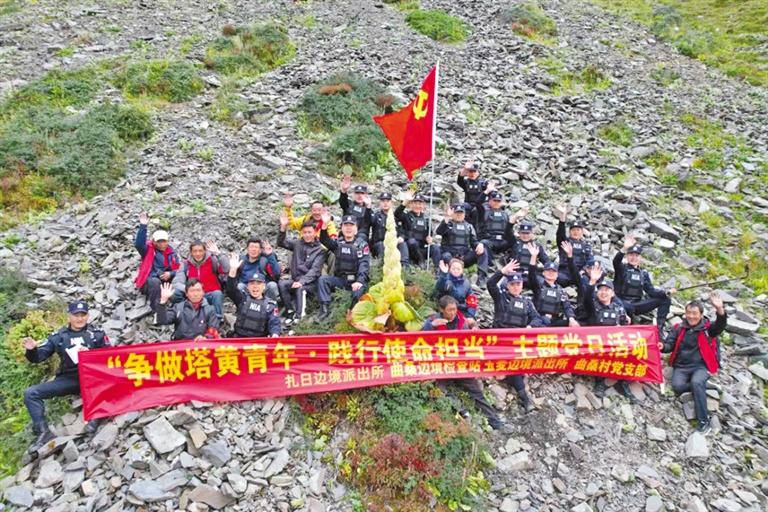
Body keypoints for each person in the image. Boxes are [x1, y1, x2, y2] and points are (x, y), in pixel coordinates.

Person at [22, 300, 109, 453]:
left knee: (108, 381)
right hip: (69, 379)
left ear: (88, 316)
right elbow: (38, 357)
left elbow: (110, 359)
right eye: (76, 315)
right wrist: (32, 350)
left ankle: (97, 416)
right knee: (30, 393)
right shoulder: (59, 336)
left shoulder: (97, 334)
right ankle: (43, 432)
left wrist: (91, 355)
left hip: (93, 378)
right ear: (69, 316)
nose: (80, 318)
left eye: (83, 315)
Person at [423, 296, 510, 432]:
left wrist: (474, 327)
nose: (452, 312)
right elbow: (419, 337)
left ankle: (495, 421)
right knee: (440, 390)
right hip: (442, 365)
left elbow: (473, 330)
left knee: (476, 391)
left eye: (454, 309)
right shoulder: (433, 320)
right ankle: (462, 410)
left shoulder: (462, 320)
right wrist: (431, 326)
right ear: (441, 309)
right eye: (449, 310)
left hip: (460, 364)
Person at [661, 293, 726, 434]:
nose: (691, 316)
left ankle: (704, 421)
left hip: (701, 366)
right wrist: (662, 347)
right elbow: (669, 345)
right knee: (678, 387)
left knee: (696, 382)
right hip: (682, 366)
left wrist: (719, 309)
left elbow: (720, 326)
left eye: (695, 313)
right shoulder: (678, 328)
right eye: (688, 313)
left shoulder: (708, 329)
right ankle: (705, 385)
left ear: (701, 315)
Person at [487, 261, 543, 412]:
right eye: (512, 284)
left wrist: (529, 327)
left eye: (518, 284)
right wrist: (502, 272)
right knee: (513, 367)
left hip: (517, 343)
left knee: (514, 367)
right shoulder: (500, 297)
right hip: (500, 342)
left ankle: (520, 392)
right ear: (508, 285)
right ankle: (525, 399)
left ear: (522, 285)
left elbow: (537, 319)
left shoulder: (527, 303)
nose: (516, 287)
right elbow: (490, 284)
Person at [584, 270, 634, 401]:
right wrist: (592, 281)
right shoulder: (593, 305)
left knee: (631, 354)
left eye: (607, 290)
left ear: (612, 293)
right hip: (596, 345)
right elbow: (587, 296)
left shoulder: (619, 308)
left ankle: (621, 383)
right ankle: (602, 383)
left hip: (615, 345)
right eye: (601, 290)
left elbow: (625, 328)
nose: (603, 292)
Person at [613, 235, 675, 328]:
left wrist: (666, 293)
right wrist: (624, 248)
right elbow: (616, 261)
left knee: (665, 299)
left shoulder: (643, 273)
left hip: (636, 305)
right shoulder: (622, 269)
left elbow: (651, 291)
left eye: (636, 255)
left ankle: (659, 328)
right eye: (631, 255)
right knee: (628, 308)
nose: (634, 258)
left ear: (640, 257)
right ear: (627, 256)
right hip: (621, 303)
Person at [317, 214, 371, 320]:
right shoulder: (338, 243)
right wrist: (324, 225)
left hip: (356, 281)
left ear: (356, 229)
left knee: (357, 294)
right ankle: (324, 310)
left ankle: (352, 314)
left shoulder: (362, 245)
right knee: (323, 280)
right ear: (341, 228)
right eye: (346, 225)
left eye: (351, 225)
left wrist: (359, 281)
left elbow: (364, 265)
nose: (348, 228)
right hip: (341, 280)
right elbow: (324, 240)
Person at [277, 215, 326, 322]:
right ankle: (290, 311)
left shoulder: (320, 250)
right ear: (301, 233)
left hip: (311, 283)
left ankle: (299, 317)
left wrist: (302, 282)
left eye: (309, 232)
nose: (307, 235)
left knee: (300, 288)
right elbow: (281, 243)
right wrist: (283, 228)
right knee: (282, 284)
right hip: (296, 280)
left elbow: (315, 270)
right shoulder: (297, 244)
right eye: (304, 232)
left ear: (315, 232)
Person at [225, 254, 281, 338]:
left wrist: (275, 334)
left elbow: (274, 323)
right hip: (240, 339)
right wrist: (233, 270)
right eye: (252, 284)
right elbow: (230, 289)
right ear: (247, 286)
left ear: (264, 287)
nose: (255, 286)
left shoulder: (270, 305)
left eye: (258, 284)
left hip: (259, 341)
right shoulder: (242, 298)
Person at [434, 204, 489, 288]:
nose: (459, 215)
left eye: (461, 213)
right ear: (453, 214)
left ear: (464, 214)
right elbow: (439, 232)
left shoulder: (469, 226)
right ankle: (448, 277)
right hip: (449, 257)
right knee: (446, 255)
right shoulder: (447, 224)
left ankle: (481, 279)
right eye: (457, 213)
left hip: (464, 258)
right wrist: (447, 218)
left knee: (483, 250)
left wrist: (480, 244)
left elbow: (474, 242)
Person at [133, 212, 180, 309]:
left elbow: (178, 269)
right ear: (153, 241)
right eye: (159, 241)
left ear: (167, 241)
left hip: (165, 282)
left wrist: (170, 274)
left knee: (181, 279)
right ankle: (157, 308)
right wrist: (143, 226)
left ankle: (179, 305)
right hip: (150, 282)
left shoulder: (171, 253)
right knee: (154, 282)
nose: (162, 244)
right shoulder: (148, 250)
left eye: (164, 241)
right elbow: (139, 244)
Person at [172, 240, 229, 320]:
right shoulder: (185, 264)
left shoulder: (213, 260)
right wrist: (190, 290)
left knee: (217, 294)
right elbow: (176, 283)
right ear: (191, 252)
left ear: (205, 251)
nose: (198, 254)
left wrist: (218, 253)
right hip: (192, 296)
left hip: (209, 294)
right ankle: (182, 315)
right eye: (195, 251)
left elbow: (226, 269)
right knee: (176, 293)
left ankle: (217, 320)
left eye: (200, 251)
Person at [527, 243, 579, 327]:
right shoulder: (538, 286)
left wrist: (571, 319)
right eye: (548, 271)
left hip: (554, 321)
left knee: (575, 324)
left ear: (557, 274)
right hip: (539, 321)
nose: (550, 273)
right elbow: (531, 275)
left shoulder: (561, 290)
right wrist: (533, 257)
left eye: (553, 271)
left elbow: (567, 307)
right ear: (543, 273)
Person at [156, 281, 220, 340]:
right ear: (186, 293)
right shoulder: (178, 308)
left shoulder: (210, 309)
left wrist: (205, 338)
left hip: (201, 345)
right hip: (181, 344)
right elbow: (163, 320)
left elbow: (213, 329)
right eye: (192, 291)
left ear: (203, 292)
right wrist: (162, 302)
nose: (195, 294)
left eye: (198, 290)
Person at [478, 191, 526, 267]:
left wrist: (514, 234)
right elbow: (477, 204)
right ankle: (491, 265)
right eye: (494, 200)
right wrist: (486, 191)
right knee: (484, 243)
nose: (496, 203)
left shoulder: (505, 214)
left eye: (498, 201)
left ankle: (510, 261)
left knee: (517, 243)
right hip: (490, 240)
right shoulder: (484, 211)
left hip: (503, 241)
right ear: (489, 201)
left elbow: (508, 229)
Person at [555, 205, 594, 287]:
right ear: (569, 232)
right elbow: (560, 233)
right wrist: (563, 217)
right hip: (564, 272)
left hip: (579, 273)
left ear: (582, 232)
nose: (575, 232)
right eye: (573, 230)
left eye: (578, 230)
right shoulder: (565, 242)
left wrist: (584, 270)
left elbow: (590, 261)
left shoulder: (586, 246)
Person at [236, 237, 280, 302]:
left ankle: (270, 307)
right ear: (247, 249)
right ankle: (243, 307)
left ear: (260, 250)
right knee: (239, 286)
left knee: (272, 285)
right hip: (247, 289)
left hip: (262, 289)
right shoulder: (241, 261)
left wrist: (270, 255)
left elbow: (277, 274)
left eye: (256, 247)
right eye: (251, 247)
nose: (254, 249)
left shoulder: (264, 260)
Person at [395, 191, 433, 266]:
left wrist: (429, 239)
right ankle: (421, 262)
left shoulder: (426, 219)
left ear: (423, 205)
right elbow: (397, 214)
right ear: (411, 204)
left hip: (421, 248)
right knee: (412, 242)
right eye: (415, 203)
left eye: (420, 204)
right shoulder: (406, 216)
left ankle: (437, 268)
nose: (417, 206)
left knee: (435, 248)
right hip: (409, 248)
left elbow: (429, 234)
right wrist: (405, 201)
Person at [370, 192, 409, 265]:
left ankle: (405, 266)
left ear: (391, 203)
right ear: (380, 203)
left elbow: (402, 231)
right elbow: (368, 221)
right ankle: (382, 265)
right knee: (381, 245)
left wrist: (401, 237)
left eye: (387, 201)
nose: (385, 203)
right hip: (380, 244)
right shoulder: (376, 216)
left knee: (403, 244)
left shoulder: (396, 216)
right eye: (383, 201)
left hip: (394, 244)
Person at [434, 258, 478, 322]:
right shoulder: (445, 279)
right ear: (449, 269)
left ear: (462, 270)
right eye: (453, 268)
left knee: (471, 322)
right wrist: (443, 274)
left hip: (461, 310)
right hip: (447, 310)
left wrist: (470, 315)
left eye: (458, 269)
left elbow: (471, 299)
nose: (456, 270)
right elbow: (439, 287)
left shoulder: (466, 283)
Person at [456, 160, 492, 229]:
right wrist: (465, 169)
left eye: (474, 172)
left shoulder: (483, 183)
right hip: (469, 204)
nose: (472, 174)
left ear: (478, 173)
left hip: (481, 205)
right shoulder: (466, 182)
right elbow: (459, 179)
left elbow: (491, 191)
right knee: (461, 208)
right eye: (470, 172)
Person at [338, 176, 373, 241]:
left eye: (362, 193)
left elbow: (370, 222)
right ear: (353, 195)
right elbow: (342, 201)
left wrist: (368, 207)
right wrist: (344, 191)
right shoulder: (348, 205)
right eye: (357, 193)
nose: (359, 195)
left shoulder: (369, 210)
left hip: (361, 238)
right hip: (346, 235)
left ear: (366, 195)